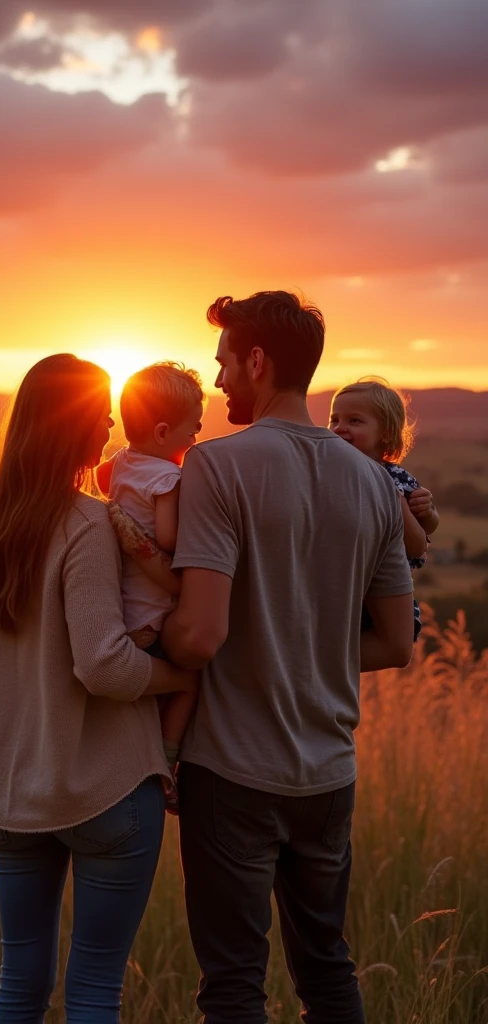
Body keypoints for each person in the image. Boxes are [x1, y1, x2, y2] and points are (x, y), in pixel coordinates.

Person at [161, 291, 415, 1024]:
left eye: (224, 364)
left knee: (235, 988)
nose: (217, 384)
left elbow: (199, 637)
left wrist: (142, 646)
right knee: (329, 973)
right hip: (329, 771)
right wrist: (307, 652)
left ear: (258, 360)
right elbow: (396, 643)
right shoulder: (375, 482)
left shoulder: (216, 466)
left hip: (232, 772)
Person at [0, 353, 194, 1024]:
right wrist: (185, 674)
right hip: (107, 789)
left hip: (12, 796)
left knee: (19, 987)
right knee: (91, 993)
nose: (113, 424)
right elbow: (106, 667)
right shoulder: (88, 523)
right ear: (75, 426)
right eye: (102, 413)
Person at [97, 362, 204, 781]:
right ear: (162, 433)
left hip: (126, 612)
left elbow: (104, 484)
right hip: (155, 620)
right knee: (188, 685)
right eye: (192, 430)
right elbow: (170, 537)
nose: (195, 439)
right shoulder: (169, 477)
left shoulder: (120, 461)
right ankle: (167, 756)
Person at [329, 377, 440, 640]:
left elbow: (419, 542)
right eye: (334, 420)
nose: (340, 428)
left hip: (382, 594)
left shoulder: (397, 480)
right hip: (336, 591)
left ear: (386, 433)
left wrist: (427, 512)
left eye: (354, 421)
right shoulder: (326, 475)